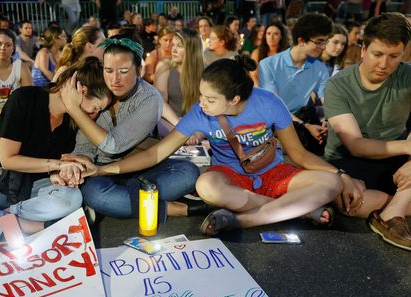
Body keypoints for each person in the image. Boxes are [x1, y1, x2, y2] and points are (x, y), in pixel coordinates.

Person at [72, 57, 362, 236]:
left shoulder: (269, 103)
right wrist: (102, 169)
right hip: (230, 177)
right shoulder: (200, 114)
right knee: (206, 187)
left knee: (330, 183)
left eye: (210, 99)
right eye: (201, 96)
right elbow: (157, 152)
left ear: (235, 99)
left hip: (275, 174)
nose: (202, 104)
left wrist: (341, 175)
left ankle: (242, 222)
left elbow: (298, 154)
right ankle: (297, 211)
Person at [0, 57, 112, 241]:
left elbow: (60, 164)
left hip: (39, 187)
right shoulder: (24, 99)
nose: (94, 115)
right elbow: (8, 160)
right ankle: (31, 225)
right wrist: (57, 164)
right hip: (4, 182)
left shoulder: (73, 121)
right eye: (95, 107)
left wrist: (62, 173)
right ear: (82, 90)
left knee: (71, 198)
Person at [60, 35, 202, 222]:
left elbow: (113, 146)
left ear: (140, 70)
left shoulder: (149, 98)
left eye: (124, 71)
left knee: (188, 173)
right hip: (99, 171)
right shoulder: (97, 86)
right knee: (96, 195)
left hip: (141, 168)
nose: (115, 79)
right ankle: (168, 207)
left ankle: (126, 204)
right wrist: (82, 162)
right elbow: (84, 143)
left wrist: (73, 109)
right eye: (109, 70)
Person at [324, 13, 411, 250]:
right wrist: (406, 147)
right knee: (345, 200)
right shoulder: (338, 85)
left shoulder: (407, 76)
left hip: (395, 159)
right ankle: (400, 205)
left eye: (394, 56)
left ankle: (392, 213)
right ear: (363, 49)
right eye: (378, 54)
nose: (384, 64)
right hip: (349, 160)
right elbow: (355, 144)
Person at [259, 13, 333, 155]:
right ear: (301, 41)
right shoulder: (268, 65)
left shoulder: (319, 67)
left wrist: (329, 119)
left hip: (304, 117)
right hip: (275, 121)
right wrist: (306, 126)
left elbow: (327, 98)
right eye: (319, 42)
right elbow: (275, 106)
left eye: (325, 41)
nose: (323, 47)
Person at [154, 28, 204, 139]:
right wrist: (181, 128)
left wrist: (198, 133)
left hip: (197, 126)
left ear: (191, 50)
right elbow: (160, 104)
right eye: (173, 45)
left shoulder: (205, 72)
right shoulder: (165, 67)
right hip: (171, 124)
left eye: (180, 46)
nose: (174, 50)